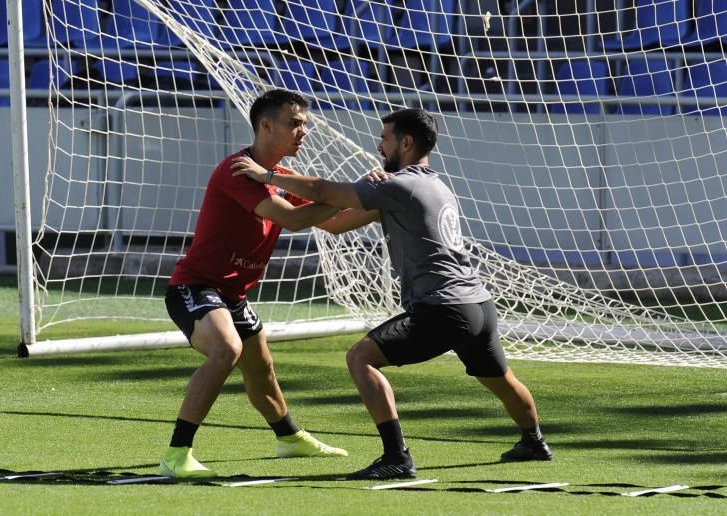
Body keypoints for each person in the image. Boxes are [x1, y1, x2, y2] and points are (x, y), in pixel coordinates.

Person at [232, 108, 552, 480]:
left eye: (384, 138)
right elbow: (336, 225)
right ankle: (534, 440)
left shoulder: (399, 185)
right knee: (500, 379)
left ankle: (396, 456)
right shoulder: (434, 184)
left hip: (442, 307)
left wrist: (267, 176)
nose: (378, 146)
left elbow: (320, 190)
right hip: (477, 305)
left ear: (406, 142)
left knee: (360, 358)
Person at [160, 89, 348, 479]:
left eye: (304, 126)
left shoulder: (278, 177)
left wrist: (378, 207)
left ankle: (289, 438)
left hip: (232, 293)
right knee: (227, 349)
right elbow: (296, 220)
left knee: (261, 370)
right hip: (194, 287)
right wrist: (362, 194)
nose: (303, 133)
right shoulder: (238, 169)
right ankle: (177, 453)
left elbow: (331, 221)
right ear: (266, 125)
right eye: (294, 124)